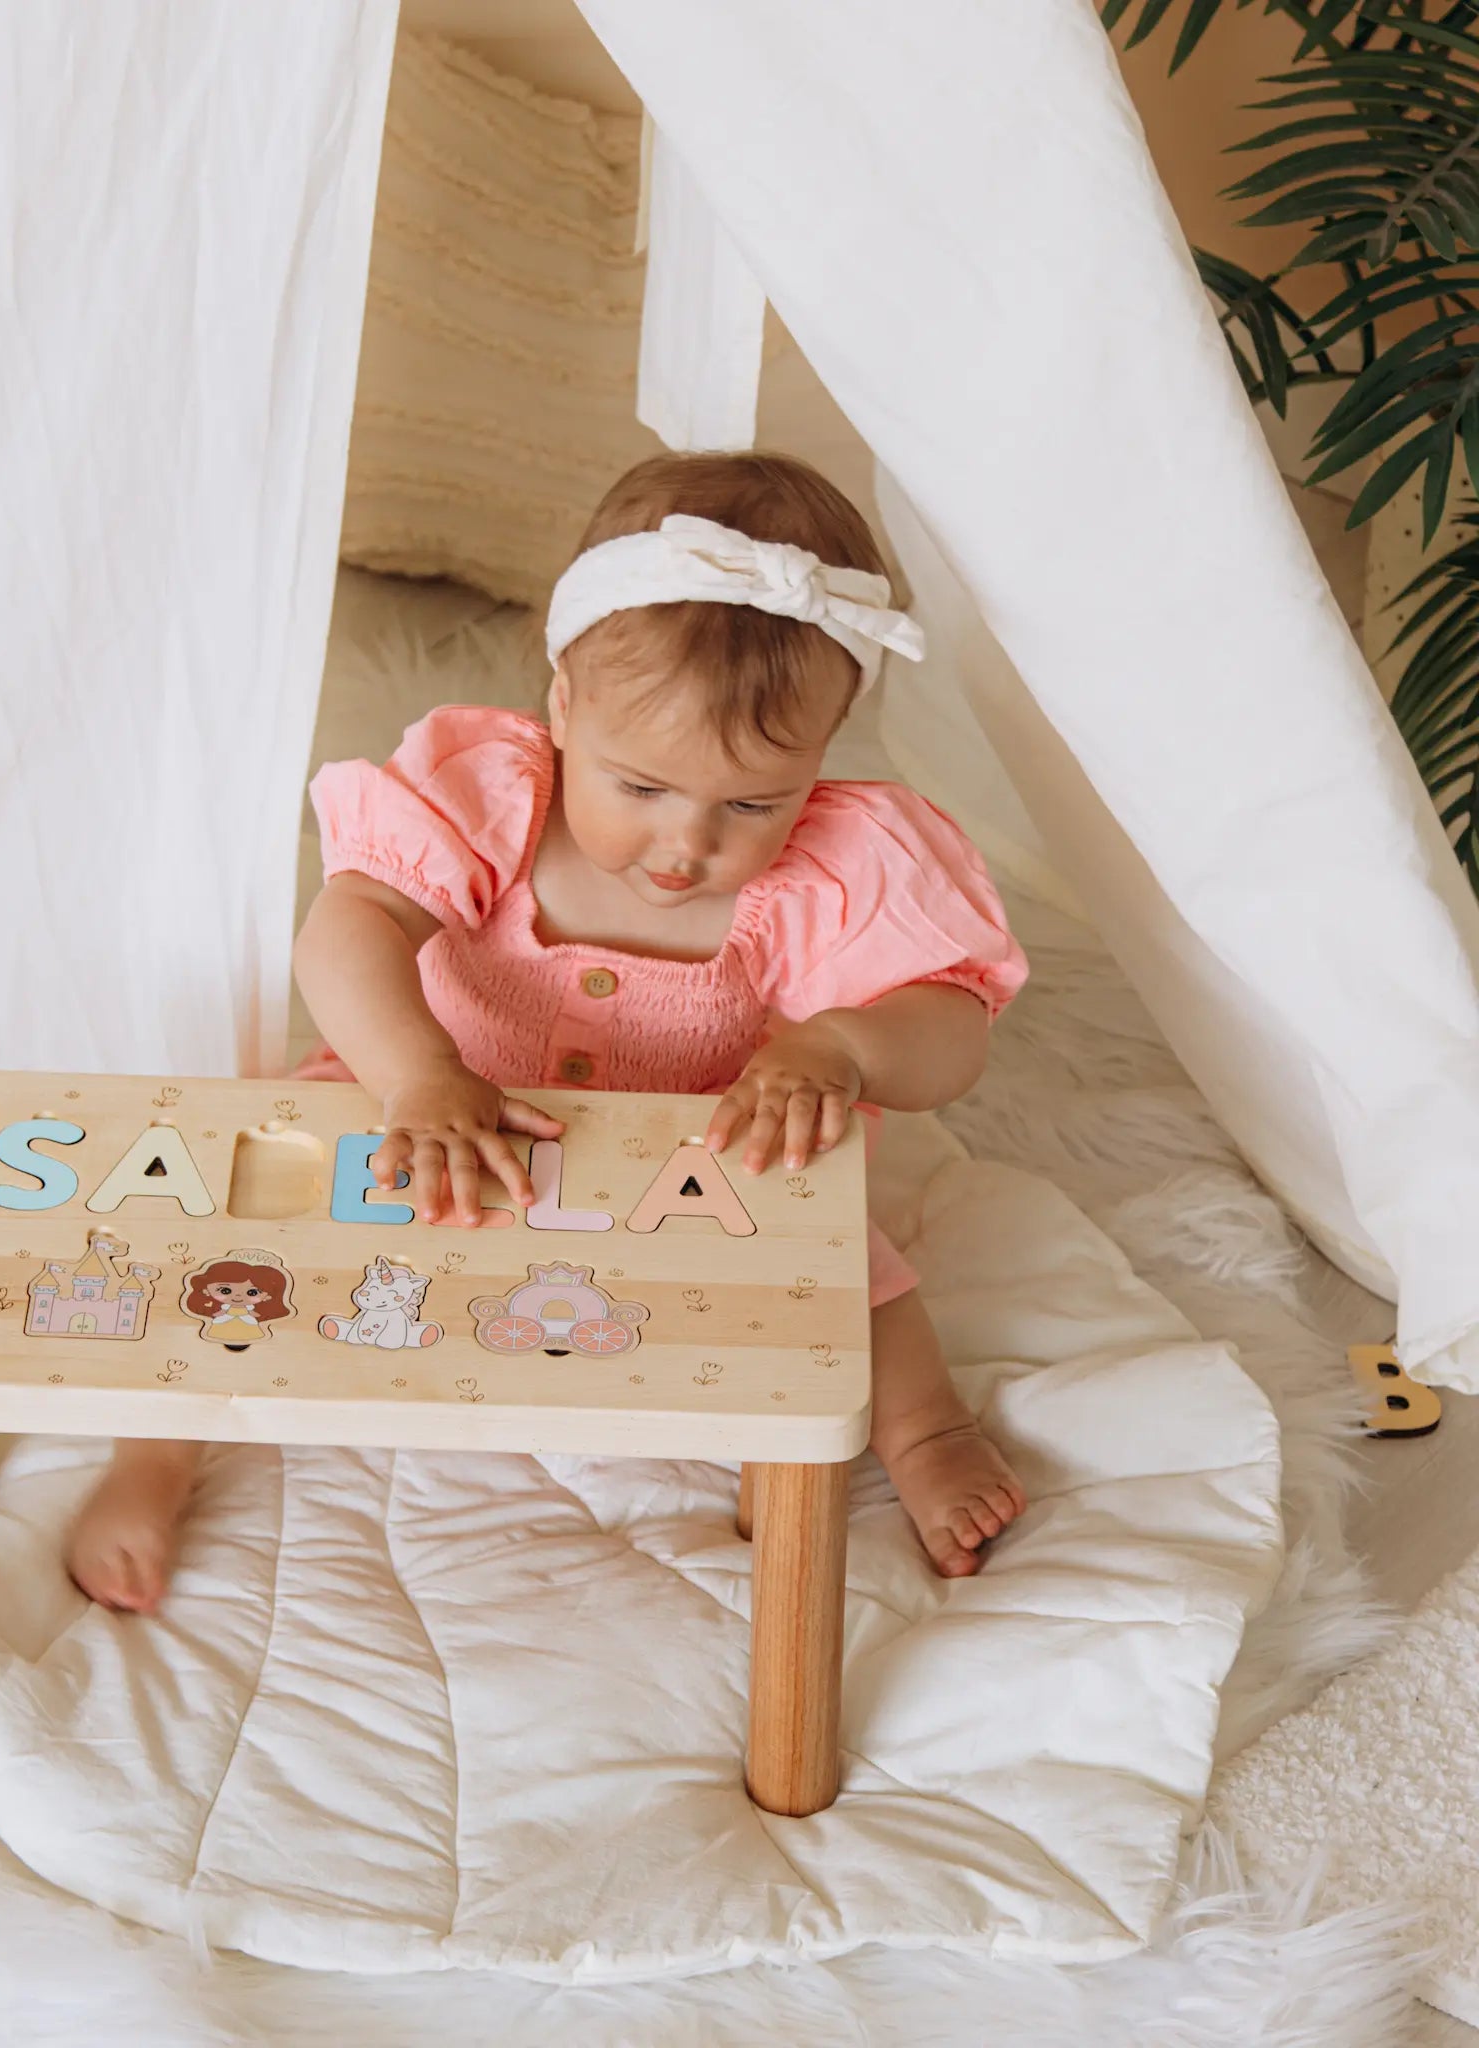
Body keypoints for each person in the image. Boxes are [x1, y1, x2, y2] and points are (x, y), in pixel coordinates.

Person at [68, 450, 1029, 1614]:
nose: (683, 847)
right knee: (240, 1230)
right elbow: (347, 926)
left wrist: (842, 1046)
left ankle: (923, 1433)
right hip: (435, 1104)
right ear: (561, 703)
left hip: (680, 1152)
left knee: (845, 1268)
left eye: (749, 804)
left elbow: (952, 1027)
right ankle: (152, 1452)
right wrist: (415, 1071)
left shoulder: (841, 864)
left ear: (823, 750)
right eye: (637, 787)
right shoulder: (491, 798)